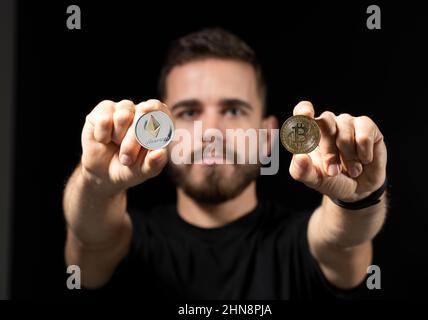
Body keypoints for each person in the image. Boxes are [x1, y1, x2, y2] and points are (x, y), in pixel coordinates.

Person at [63, 28, 388, 299]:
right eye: (189, 112)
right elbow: (89, 237)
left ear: (266, 135)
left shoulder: (301, 243)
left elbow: (345, 241)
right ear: (163, 131)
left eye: (233, 111)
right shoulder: (127, 242)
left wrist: (359, 198)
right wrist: (96, 182)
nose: (212, 132)